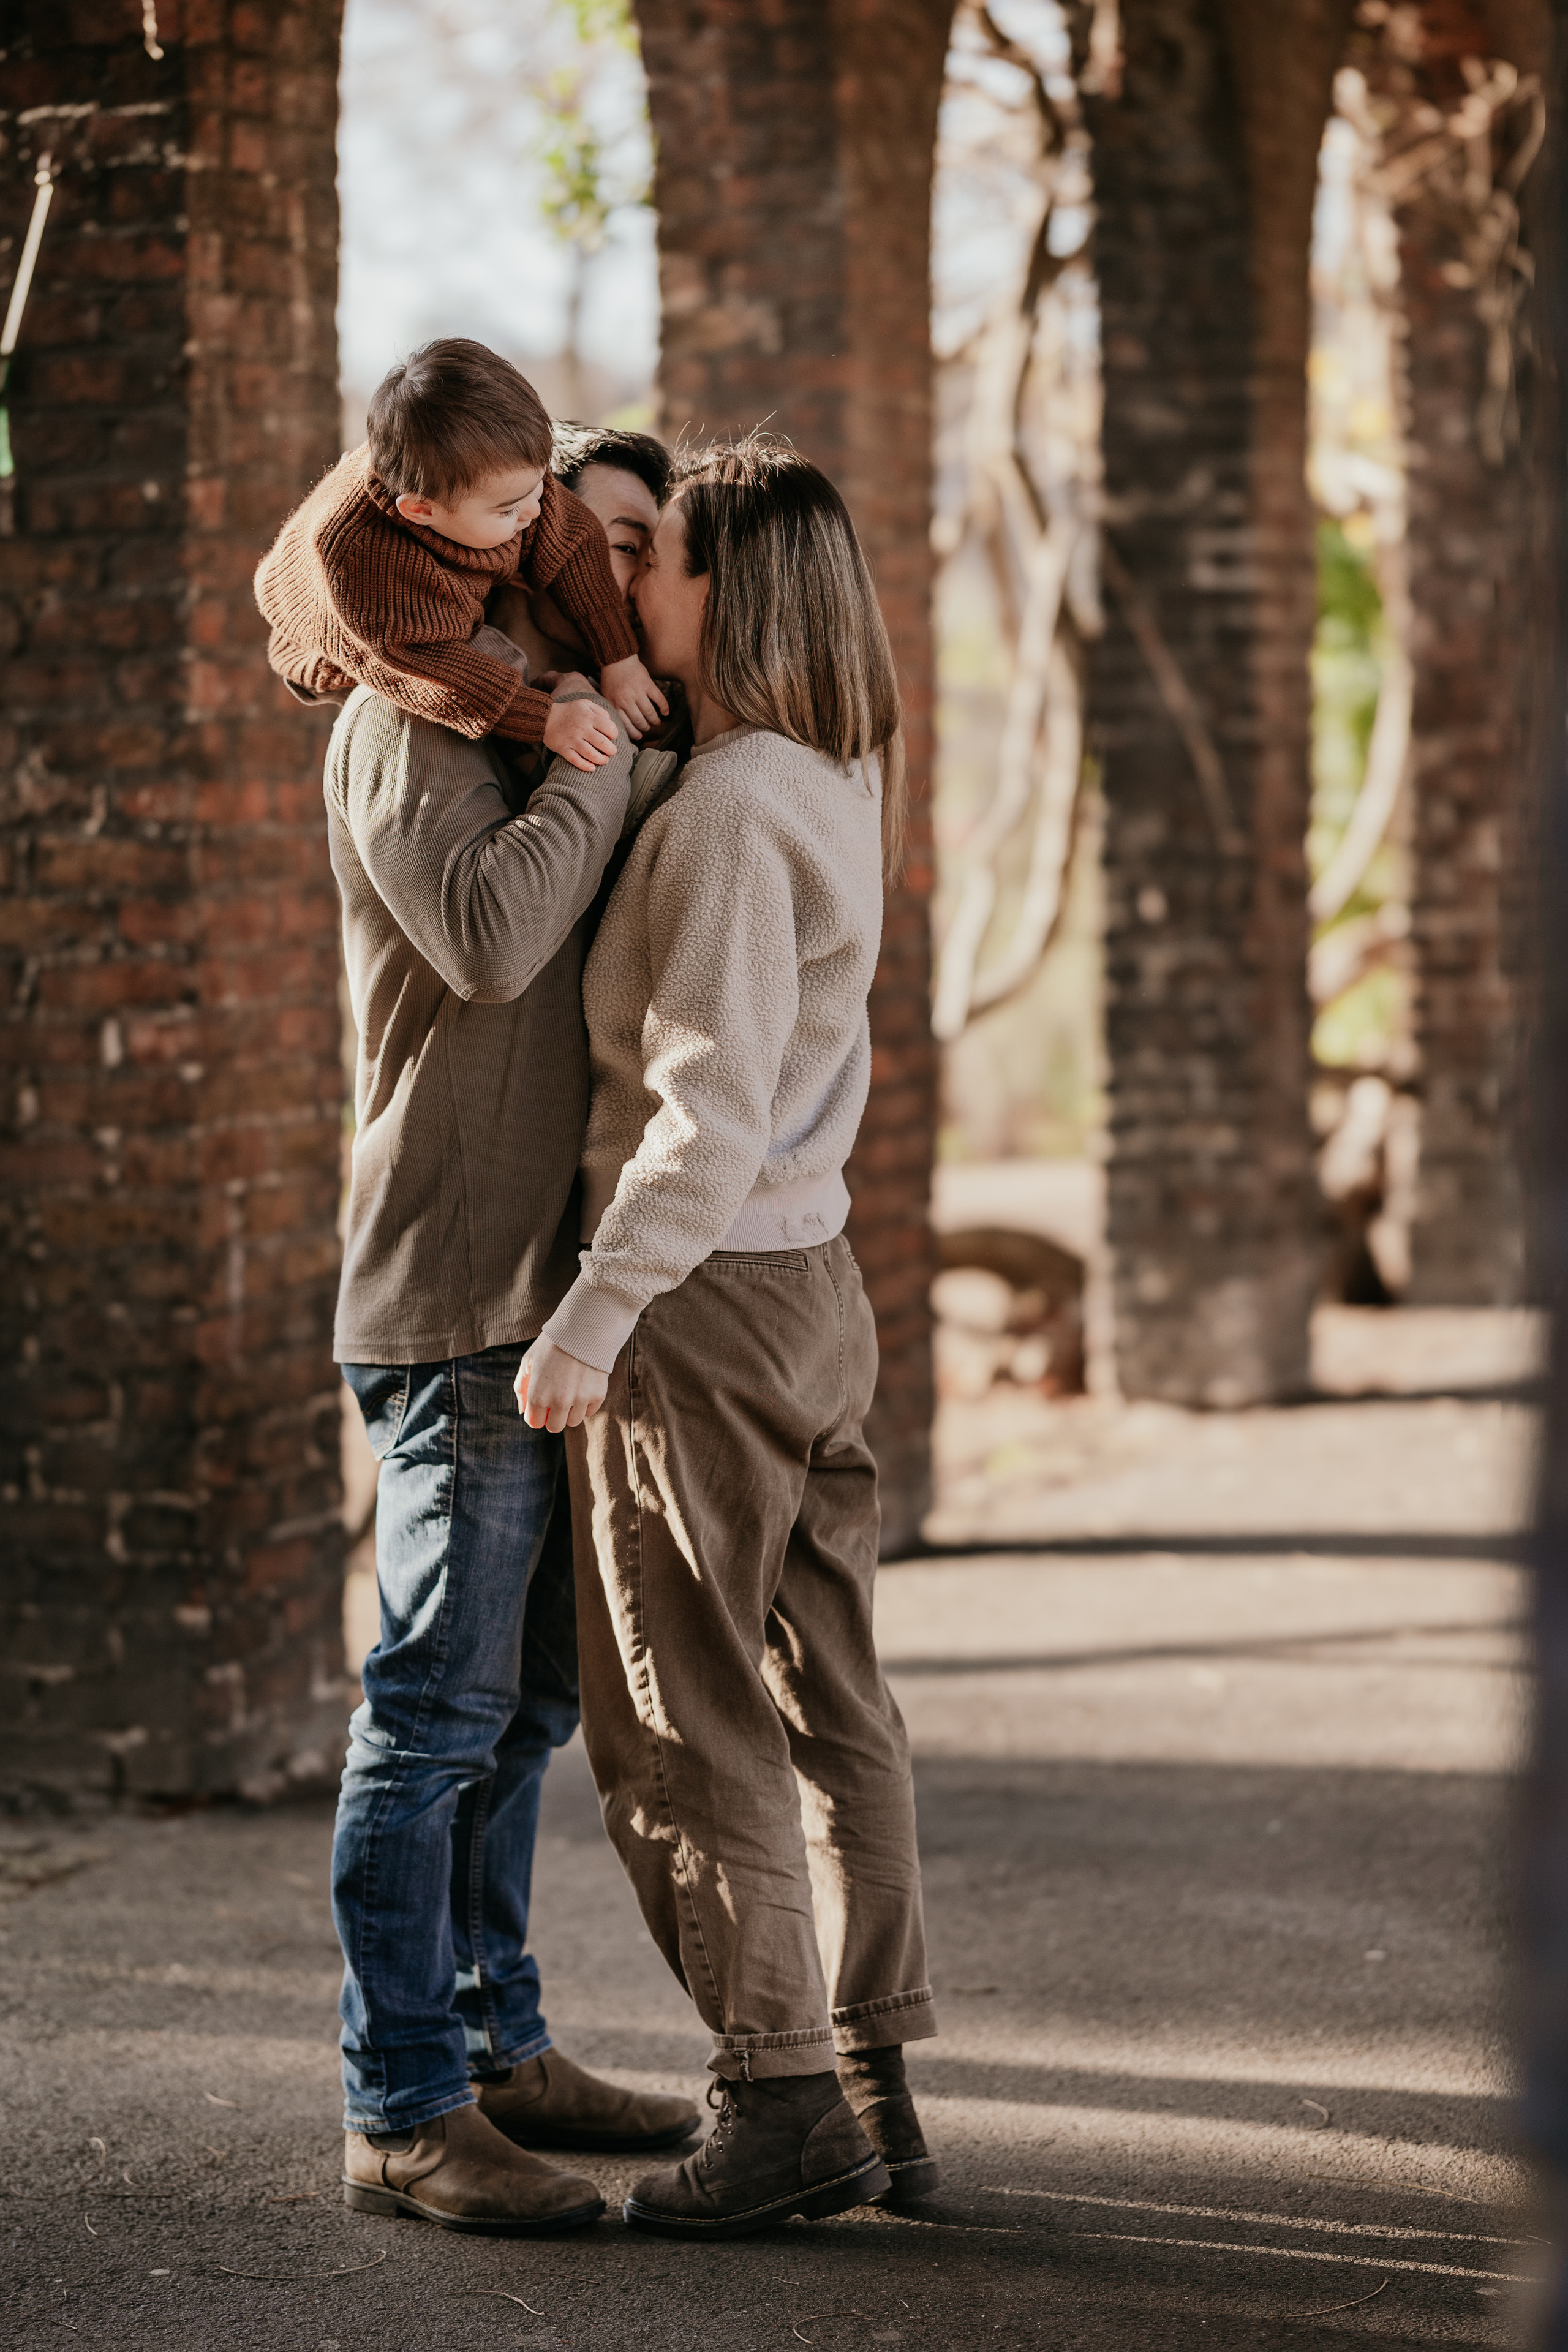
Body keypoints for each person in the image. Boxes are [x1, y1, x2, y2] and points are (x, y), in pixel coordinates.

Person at [518, 435, 939, 2239]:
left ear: (730, 592)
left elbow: (698, 1119)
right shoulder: (839, 773)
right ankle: (874, 2082)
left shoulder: (728, 815)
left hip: (704, 1304)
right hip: (821, 1290)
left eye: (664, 558)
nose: (637, 585)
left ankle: (776, 2099)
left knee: (682, 1723)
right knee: (836, 1702)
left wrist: (585, 1324)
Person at [317, 594, 699, 2231]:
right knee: (432, 1718)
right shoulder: (412, 729)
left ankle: (497, 2049)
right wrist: (601, 756)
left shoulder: (552, 730)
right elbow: (488, 936)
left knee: (527, 1711)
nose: (622, 605)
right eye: (593, 554)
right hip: (460, 1288)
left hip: (559, 1299)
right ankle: (400, 2104)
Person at [254, 339, 667, 771]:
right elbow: (434, 675)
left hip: (442, 571)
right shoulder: (364, 570)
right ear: (422, 509)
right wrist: (546, 719)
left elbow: (575, 543)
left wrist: (620, 658)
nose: (534, 511)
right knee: (466, 677)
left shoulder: (509, 481)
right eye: (509, 509)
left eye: (540, 484)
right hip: (343, 637)